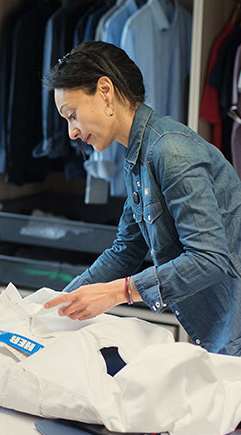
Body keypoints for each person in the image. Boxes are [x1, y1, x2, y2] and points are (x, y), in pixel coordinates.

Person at [43, 41, 241, 356]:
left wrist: (119, 292)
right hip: (222, 330)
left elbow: (208, 259)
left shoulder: (170, 151)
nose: (72, 133)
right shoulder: (140, 156)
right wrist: (51, 308)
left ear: (105, 91)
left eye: (72, 115)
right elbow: (125, 251)